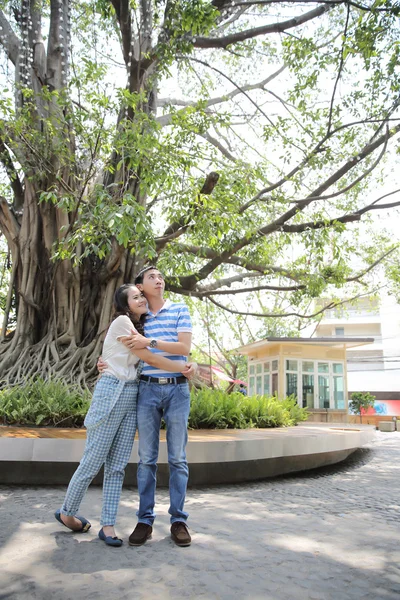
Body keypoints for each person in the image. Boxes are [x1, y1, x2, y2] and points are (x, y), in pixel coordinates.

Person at [54, 283, 193, 548]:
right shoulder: (121, 322)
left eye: (142, 296)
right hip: (111, 392)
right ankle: (67, 512)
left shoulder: (141, 328)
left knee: (117, 466)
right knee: (92, 460)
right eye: (135, 297)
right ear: (125, 304)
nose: (141, 299)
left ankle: (108, 525)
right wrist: (182, 367)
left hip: (132, 396)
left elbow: (140, 359)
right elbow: (149, 358)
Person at [98, 265, 194, 547]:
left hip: (177, 390)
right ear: (140, 286)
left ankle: (178, 520)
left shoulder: (179, 308)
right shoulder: (136, 319)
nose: (159, 279)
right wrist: (104, 364)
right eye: (152, 277)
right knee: (146, 460)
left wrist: (150, 341)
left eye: (161, 276)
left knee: (177, 458)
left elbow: (184, 347)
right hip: (147, 390)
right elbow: (122, 353)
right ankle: (145, 520)